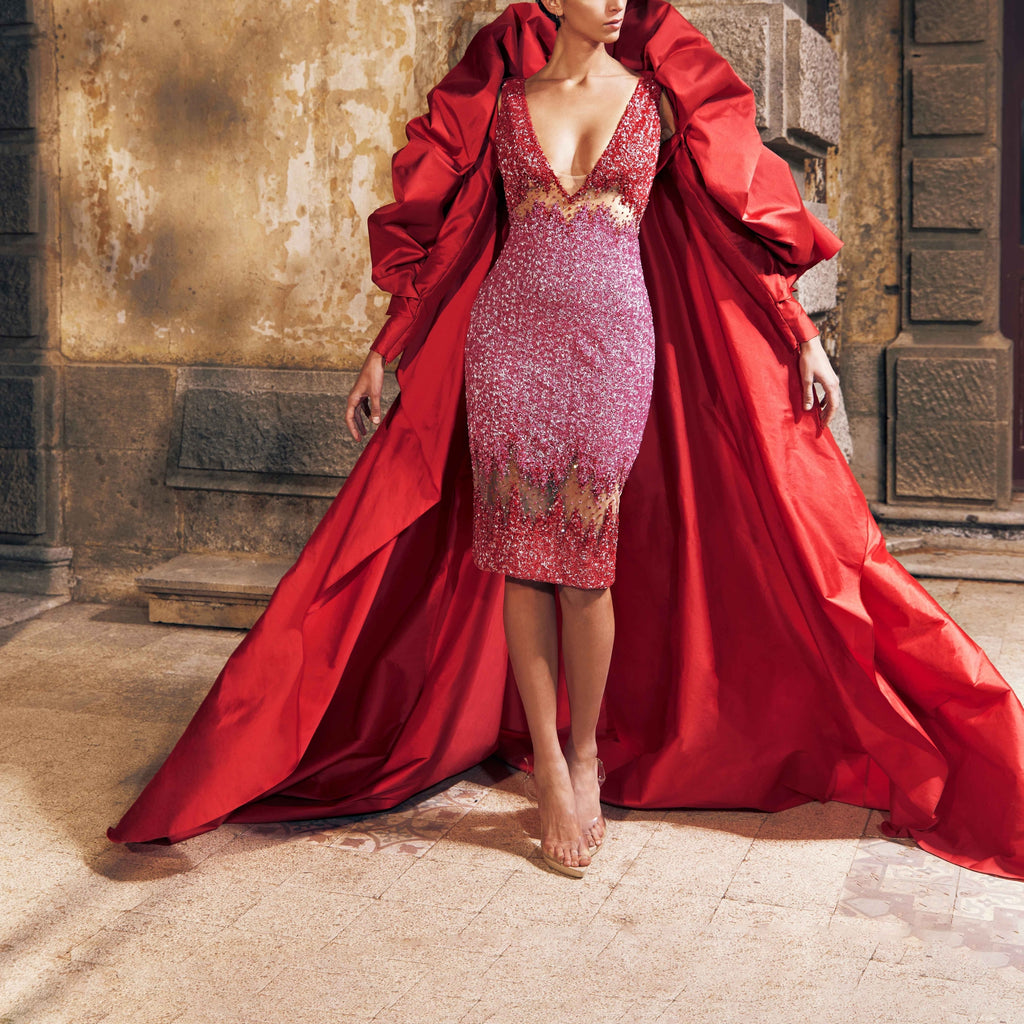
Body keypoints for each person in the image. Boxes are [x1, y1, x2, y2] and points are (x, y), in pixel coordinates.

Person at [109, 0, 1024, 883]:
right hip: (510, 342)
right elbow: (460, 239)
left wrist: (801, 336)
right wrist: (387, 351)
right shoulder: (505, 105)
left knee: (586, 567)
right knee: (520, 564)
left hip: (613, 346)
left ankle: (585, 755)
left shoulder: (658, 100)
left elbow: (728, 226)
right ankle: (548, 763)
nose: (617, 2)